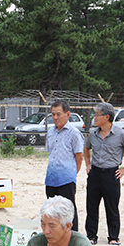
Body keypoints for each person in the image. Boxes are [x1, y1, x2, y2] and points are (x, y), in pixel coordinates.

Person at [83, 102, 124, 246]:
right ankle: (91, 236)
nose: (94, 118)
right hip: (94, 174)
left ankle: (113, 237)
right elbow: (86, 148)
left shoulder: (121, 134)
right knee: (91, 207)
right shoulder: (93, 134)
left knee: (112, 207)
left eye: (97, 115)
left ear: (107, 117)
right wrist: (88, 164)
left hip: (111, 174)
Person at [45, 99, 84, 232]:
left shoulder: (74, 134)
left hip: (66, 179)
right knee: (51, 209)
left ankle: (73, 236)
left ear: (67, 114)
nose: (55, 117)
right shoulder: (50, 132)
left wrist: (72, 174)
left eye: (58, 114)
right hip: (51, 179)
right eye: (53, 114)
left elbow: (79, 157)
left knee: (69, 209)